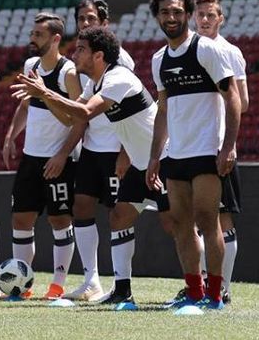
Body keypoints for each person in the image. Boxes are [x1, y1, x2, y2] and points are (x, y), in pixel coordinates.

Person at [12, 26, 171, 310]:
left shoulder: (118, 77)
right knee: (119, 218)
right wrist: (45, 96)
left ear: (98, 56)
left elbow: (85, 112)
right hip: (140, 164)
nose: (75, 54)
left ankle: (205, 288)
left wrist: (45, 91)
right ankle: (122, 291)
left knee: (177, 224)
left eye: (81, 50)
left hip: (163, 160)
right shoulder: (94, 83)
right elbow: (75, 114)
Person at [147, 0, 241, 310]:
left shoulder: (206, 49)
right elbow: (162, 110)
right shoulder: (158, 59)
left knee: (207, 220)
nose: (171, 17)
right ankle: (194, 292)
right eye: (164, 12)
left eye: (177, 11)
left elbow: (233, 98)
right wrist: (155, 157)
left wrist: (228, 146)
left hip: (207, 151)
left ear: (188, 14)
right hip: (176, 154)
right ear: (157, 17)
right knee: (181, 225)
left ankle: (215, 296)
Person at [3, 13, 82, 300]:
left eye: (38, 34)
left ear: (56, 38)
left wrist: (62, 154)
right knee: (21, 219)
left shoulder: (68, 72)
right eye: (32, 34)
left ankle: (57, 285)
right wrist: (11, 135)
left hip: (58, 159)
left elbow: (75, 119)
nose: (32, 39)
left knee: (60, 220)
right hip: (31, 157)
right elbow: (26, 104)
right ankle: (22, 285)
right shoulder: (31, 65)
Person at [61, 0, 135, 302]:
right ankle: (91, 280)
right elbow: (81, 111)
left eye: (91, 18)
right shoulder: (82, 60)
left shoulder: (121, 61)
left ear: (105, 23)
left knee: (121, 214)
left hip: (116, 147)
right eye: (81, 19)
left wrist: (125, 151)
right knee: (81, 206)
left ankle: (122, 283)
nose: (85, 23)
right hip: (92, 147)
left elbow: (130, 108)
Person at [192, 0, 248, 305]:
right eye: (200, 14)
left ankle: (222, 287)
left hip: (217, 145)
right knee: (195, 219)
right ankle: (199, 285)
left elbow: (244, 101)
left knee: (222, 218)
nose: (204, 20)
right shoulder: (188, 50)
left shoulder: (229, 52)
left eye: (210, 15)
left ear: (221, 18)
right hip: (190, 146)